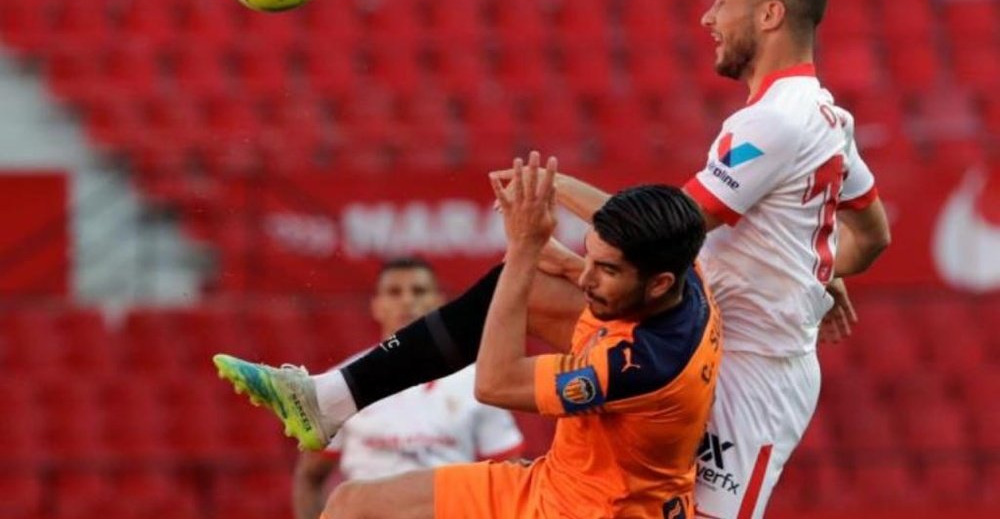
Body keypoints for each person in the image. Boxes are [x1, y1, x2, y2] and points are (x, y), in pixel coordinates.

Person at [214, 0, 891, 518]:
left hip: (750, 377)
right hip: (696, 323)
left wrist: (549, 195)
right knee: (534, 282)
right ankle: (331, 397)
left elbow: (667, 233)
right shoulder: (825, 114)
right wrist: (815, 273)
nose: (707, 15)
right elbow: (871, 234)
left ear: (770, 14)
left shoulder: (770, 122)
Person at [217, 153, 721, 518]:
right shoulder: (683, 268)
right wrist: (550, 184)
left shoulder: (638, 366)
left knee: (523, 276)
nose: (588, 277)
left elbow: (496, 384)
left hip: (587, 511)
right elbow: (624, 218)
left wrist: (525, 248)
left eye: (606, 270)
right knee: (350, 504)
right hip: (554, 481)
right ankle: (332, 398)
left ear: (656, 284)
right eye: (590, 258)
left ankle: (331, 398)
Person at [291, 257, 524, 519]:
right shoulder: (342, 384)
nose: (406, 300)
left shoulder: (479, 382)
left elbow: (510, 478)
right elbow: (310, 477)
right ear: (376, 306)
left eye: (419, 291)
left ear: (439, 302)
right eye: (394, 292)